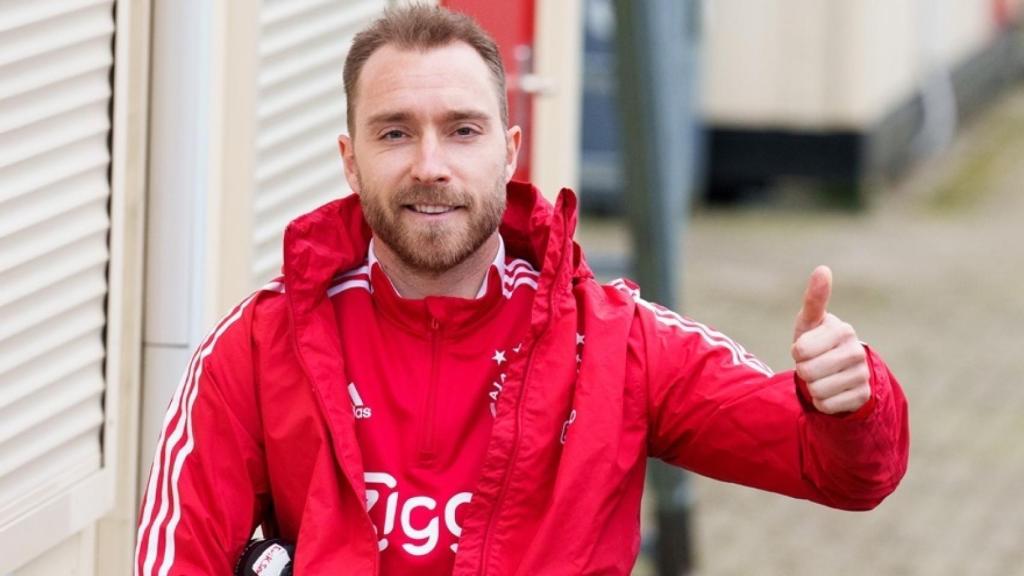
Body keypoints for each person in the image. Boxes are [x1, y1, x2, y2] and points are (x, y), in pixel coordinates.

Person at [133, 5, 909, 575]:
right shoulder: (258, 348)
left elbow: (842, 472)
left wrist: (850, 401)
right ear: (350, 159)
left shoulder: (615, 341)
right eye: (395, 132)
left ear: (509, 153)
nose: (430, 165)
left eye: (462, 130)